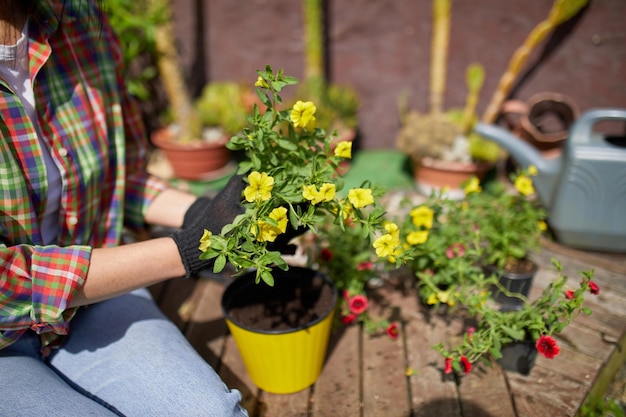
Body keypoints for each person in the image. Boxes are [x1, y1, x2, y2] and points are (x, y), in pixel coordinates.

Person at [0, 1, 255, 415]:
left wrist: (206, 215)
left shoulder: (77, 20)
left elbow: (122, 177)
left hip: (91, 301)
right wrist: (189, 249)